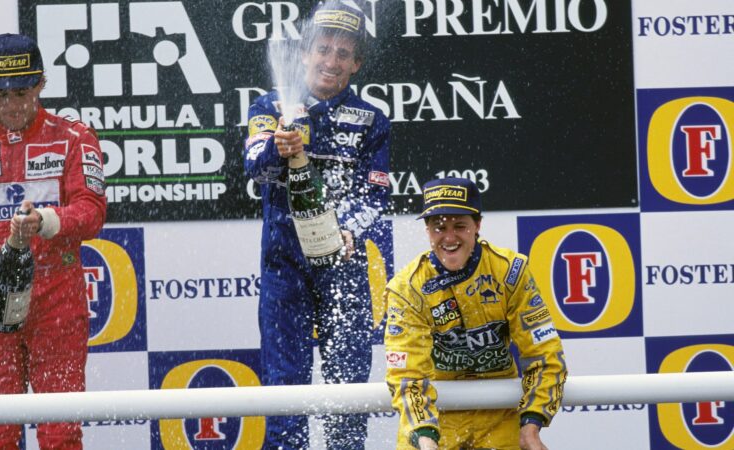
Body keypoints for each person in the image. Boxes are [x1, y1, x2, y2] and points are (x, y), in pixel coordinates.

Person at [0, 33, 106, 449]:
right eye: (0, 94)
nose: (11, 103)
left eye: (21, 92)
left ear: (42, 84)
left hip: (59, 301)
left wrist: (47, 221)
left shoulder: (74, 138)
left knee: (60, 432)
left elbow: (93, 209)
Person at [243, 1, 391, 448]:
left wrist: (347, 229)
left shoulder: (372, 120)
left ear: (357, 64)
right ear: (305, 52)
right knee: (285, 394)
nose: (332, 61)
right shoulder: (270, 106)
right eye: (323, 49)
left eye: (344, 54)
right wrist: (277, 150)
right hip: (283, 267)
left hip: (342, 267)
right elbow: (253, 168)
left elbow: (377, 196)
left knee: (347, 396)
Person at [384, 177, 567, 450]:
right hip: (434, 423)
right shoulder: (408, 288)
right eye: (438, 227)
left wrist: (532, 425)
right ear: (427, 230)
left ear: (477, 225)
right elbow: (407, 376)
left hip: (498, 419)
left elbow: (545, 356)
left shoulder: (509, 273)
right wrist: (424, 437)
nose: (449, 237)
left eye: (459, 226)